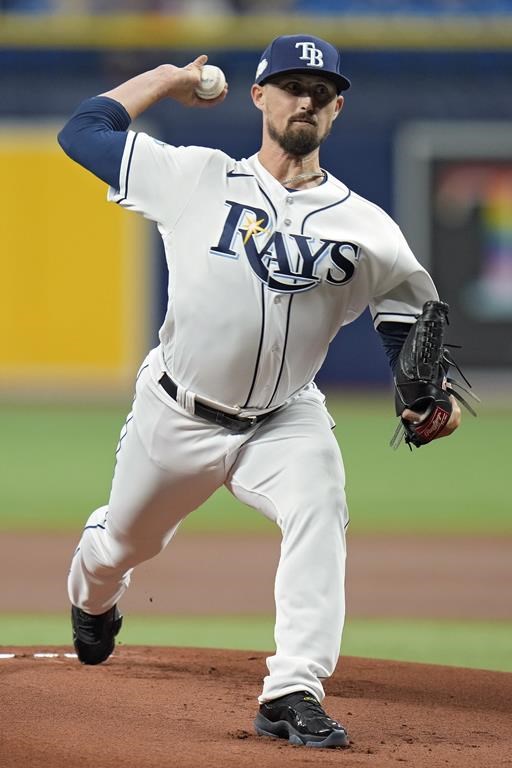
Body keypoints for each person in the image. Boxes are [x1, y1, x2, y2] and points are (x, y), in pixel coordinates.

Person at [58, 34, 461, 749]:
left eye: (321, 90)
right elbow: (83, 131)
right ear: (259, 96)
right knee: (122, 544)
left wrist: (423, 398)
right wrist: (161, 77)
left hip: (285, 418)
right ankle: (94, 598)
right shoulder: (193, 176)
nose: (305, 98)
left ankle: (292, 690)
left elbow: (406, 319)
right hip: (176, 413)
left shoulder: (367, 225)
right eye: (291, 85)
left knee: (321, 503)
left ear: (336, 109)